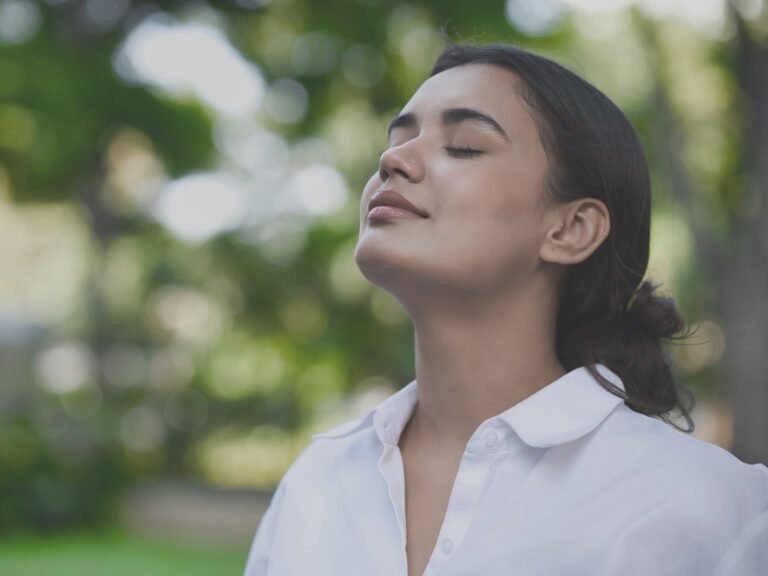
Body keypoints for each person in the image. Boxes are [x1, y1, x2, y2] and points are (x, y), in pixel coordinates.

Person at [244, 43, 768, 575]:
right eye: (399, 139)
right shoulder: (316, 483)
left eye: (464, 147)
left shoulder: (715, 509)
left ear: (570, 229)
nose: (391, 160)